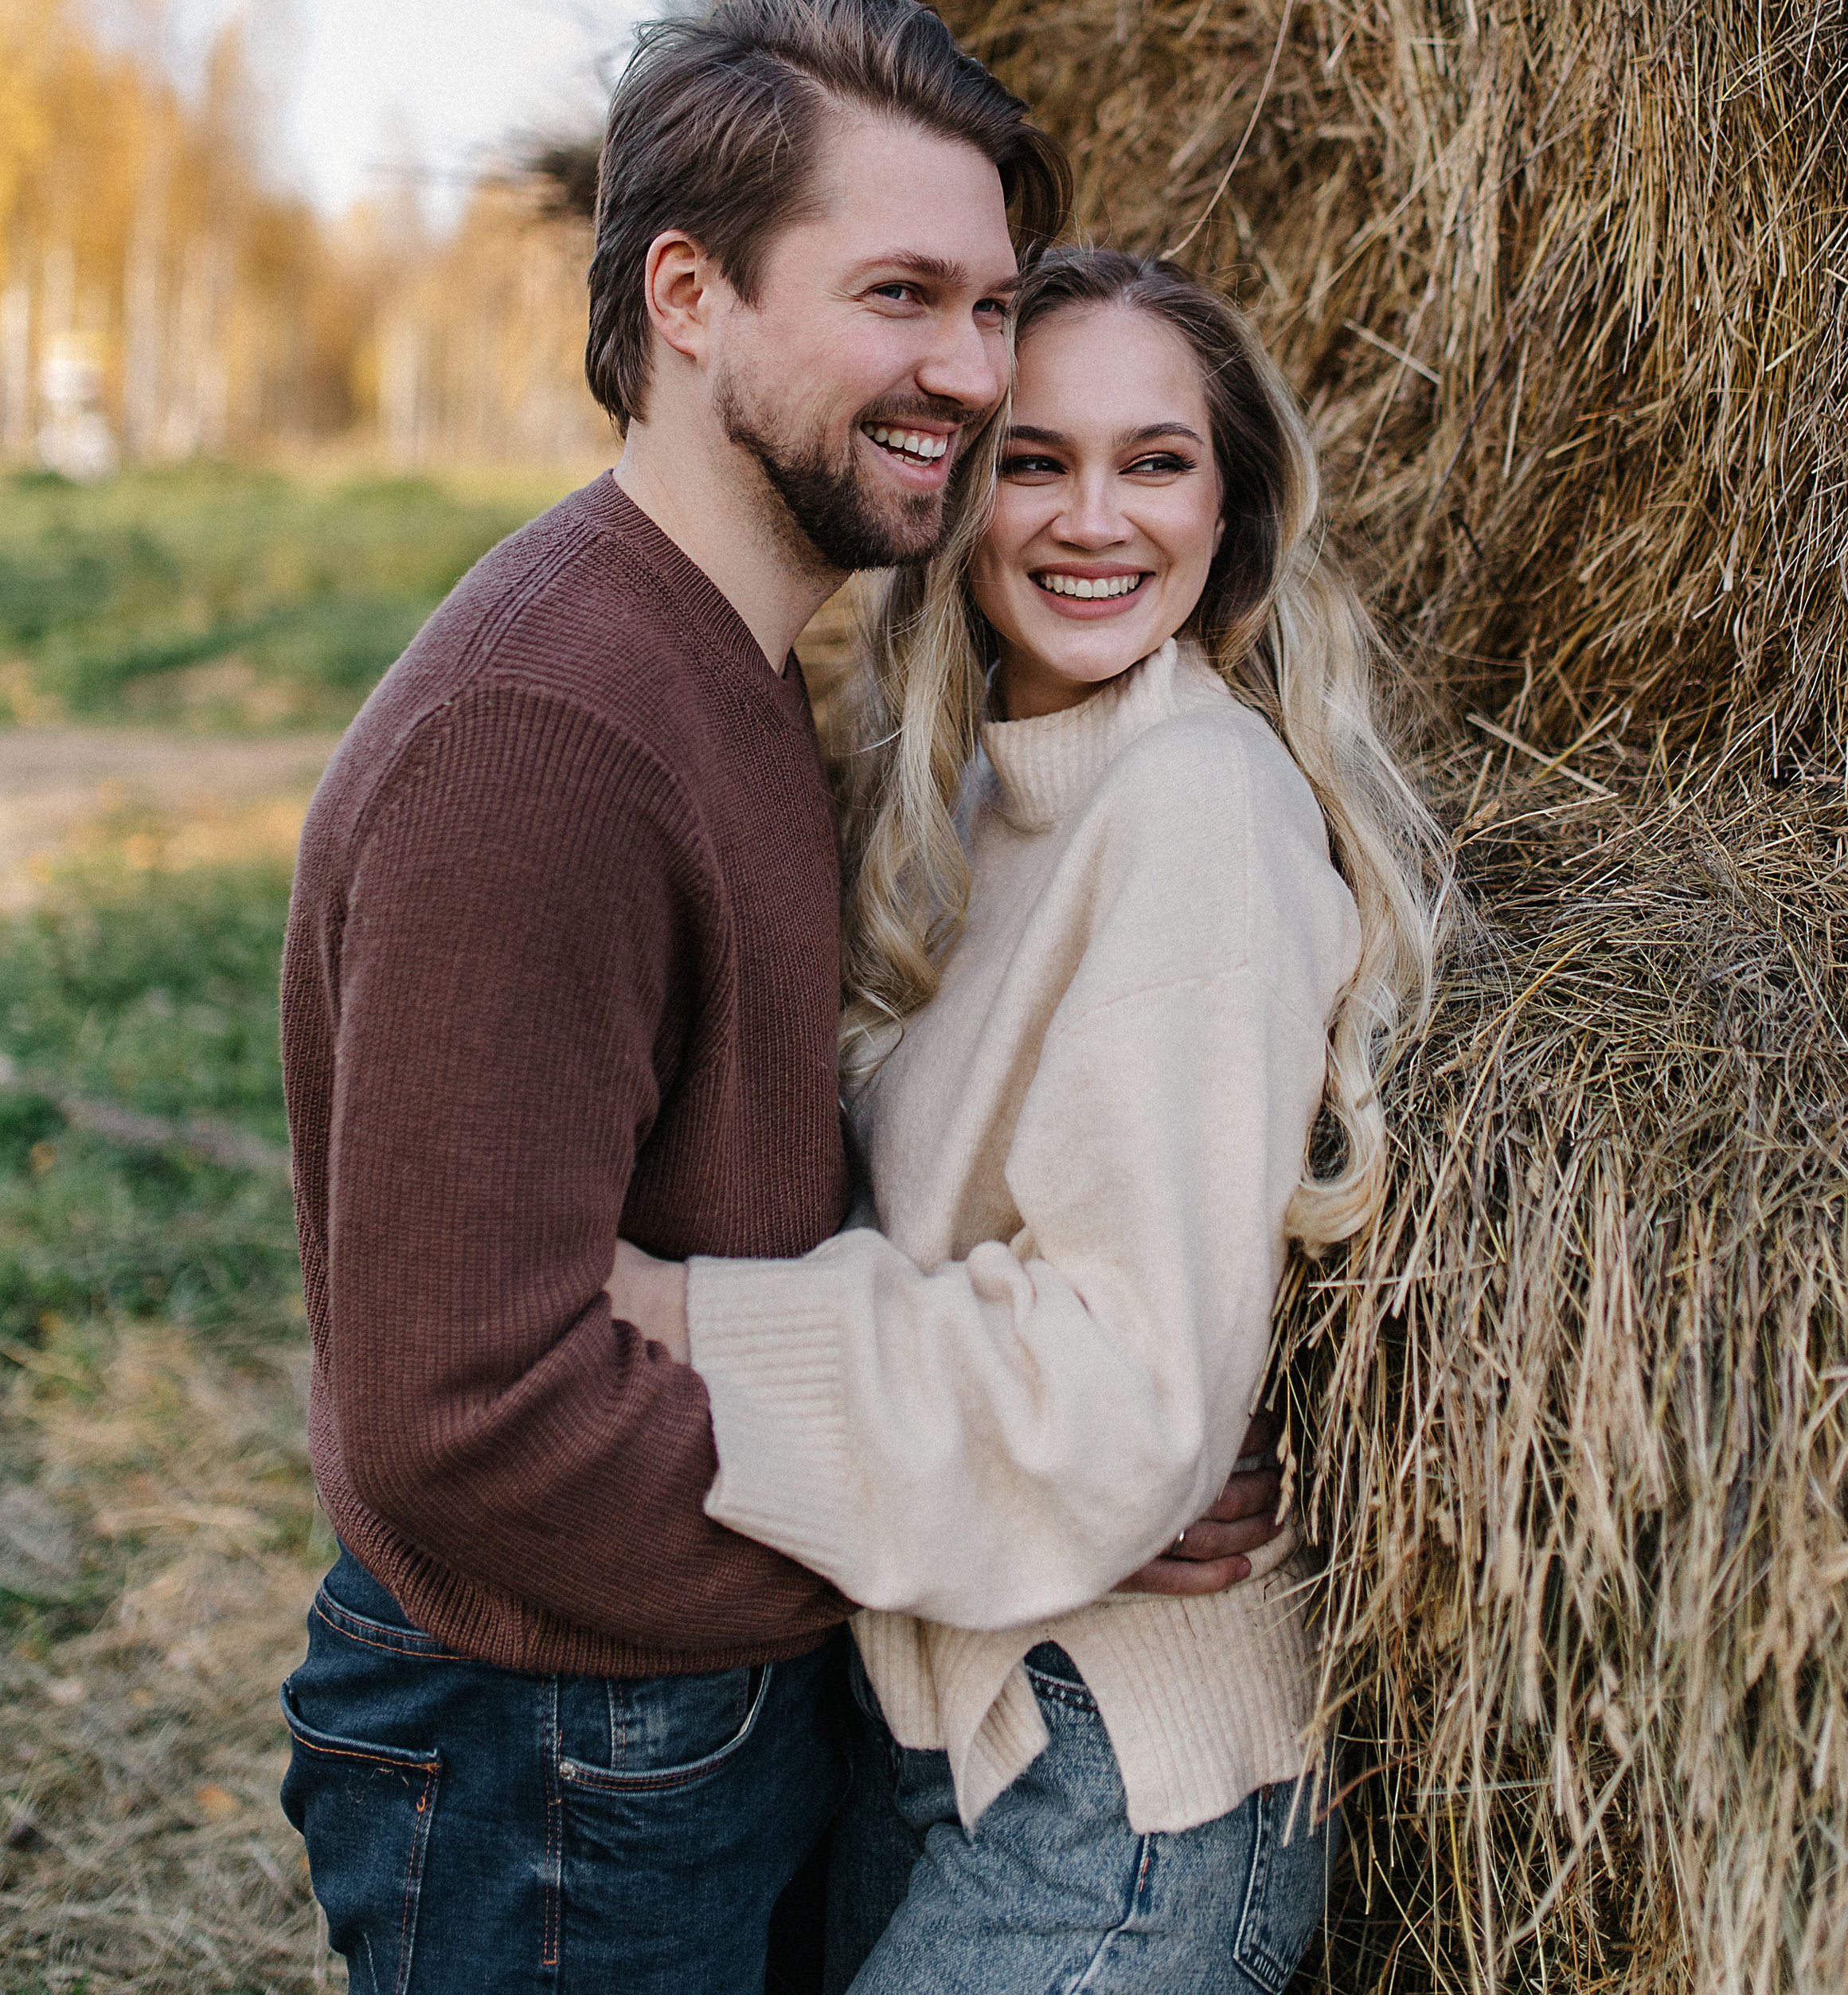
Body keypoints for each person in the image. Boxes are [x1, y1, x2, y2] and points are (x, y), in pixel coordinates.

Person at [275, 0, 1270, 1995]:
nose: (971, 375)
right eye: (898, 296)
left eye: (990, 307)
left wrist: (1043, 1455)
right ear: (689, 298)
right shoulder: (544, 736)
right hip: (557, 1753)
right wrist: (1002, 1513)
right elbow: (458, 1417)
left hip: (663, 1727)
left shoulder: (725, 672)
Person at [606, 247, 1441, 1993]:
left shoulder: (1193, 809)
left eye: (1156, 462)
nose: (1093, 521)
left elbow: (1118, 1402)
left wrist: (681, 1322)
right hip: (943, 1716)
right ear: (960, 500)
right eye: (1036, 462)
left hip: (1116, 1787)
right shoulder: (970, 795)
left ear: (1232, 514)